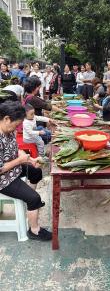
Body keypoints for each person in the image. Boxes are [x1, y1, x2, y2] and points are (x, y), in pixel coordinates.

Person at [0, 100, 52, 241]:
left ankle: (28, 200)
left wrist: (27, 158)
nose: (17, 128)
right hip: (3, 180)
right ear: (6, 119)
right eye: (16, 125)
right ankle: (34, 231)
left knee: (36, 171)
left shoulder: (8, 130)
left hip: (12, 170)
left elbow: (16, 149)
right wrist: (20, 161)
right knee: (34, 198)